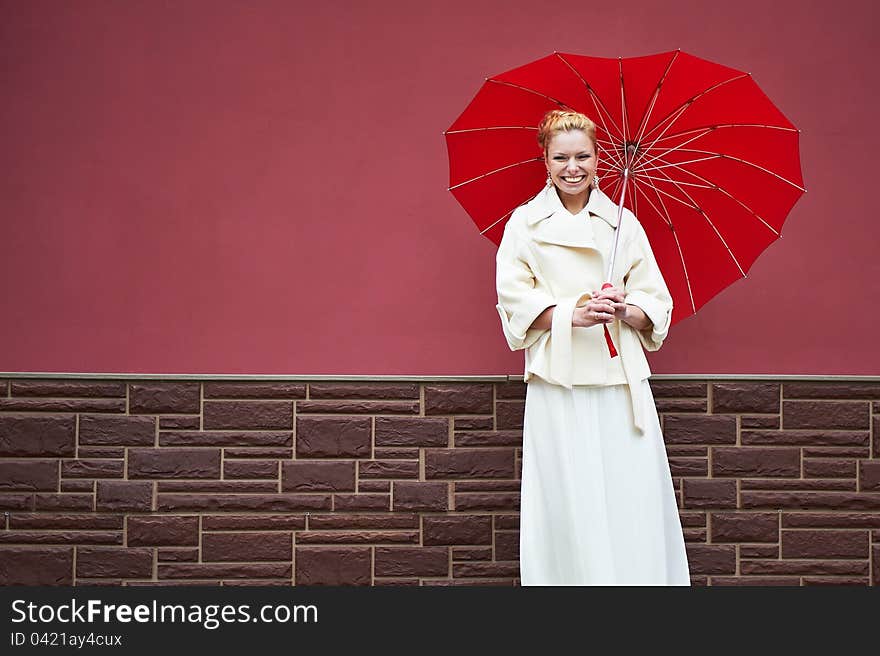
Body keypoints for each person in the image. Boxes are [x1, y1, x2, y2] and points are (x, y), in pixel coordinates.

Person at [495, 109, 690, 586]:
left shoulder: (623, 224)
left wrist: (624, 309)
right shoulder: (524, 224)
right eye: (561, 157)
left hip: (619, 380)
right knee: (567, 494)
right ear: (544, 160)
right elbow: (513, 301)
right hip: (559, 378)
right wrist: (571, 314)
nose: (572, 167)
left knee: (630, 491)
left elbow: (657, 303)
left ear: (599, 158)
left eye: (582, 155)